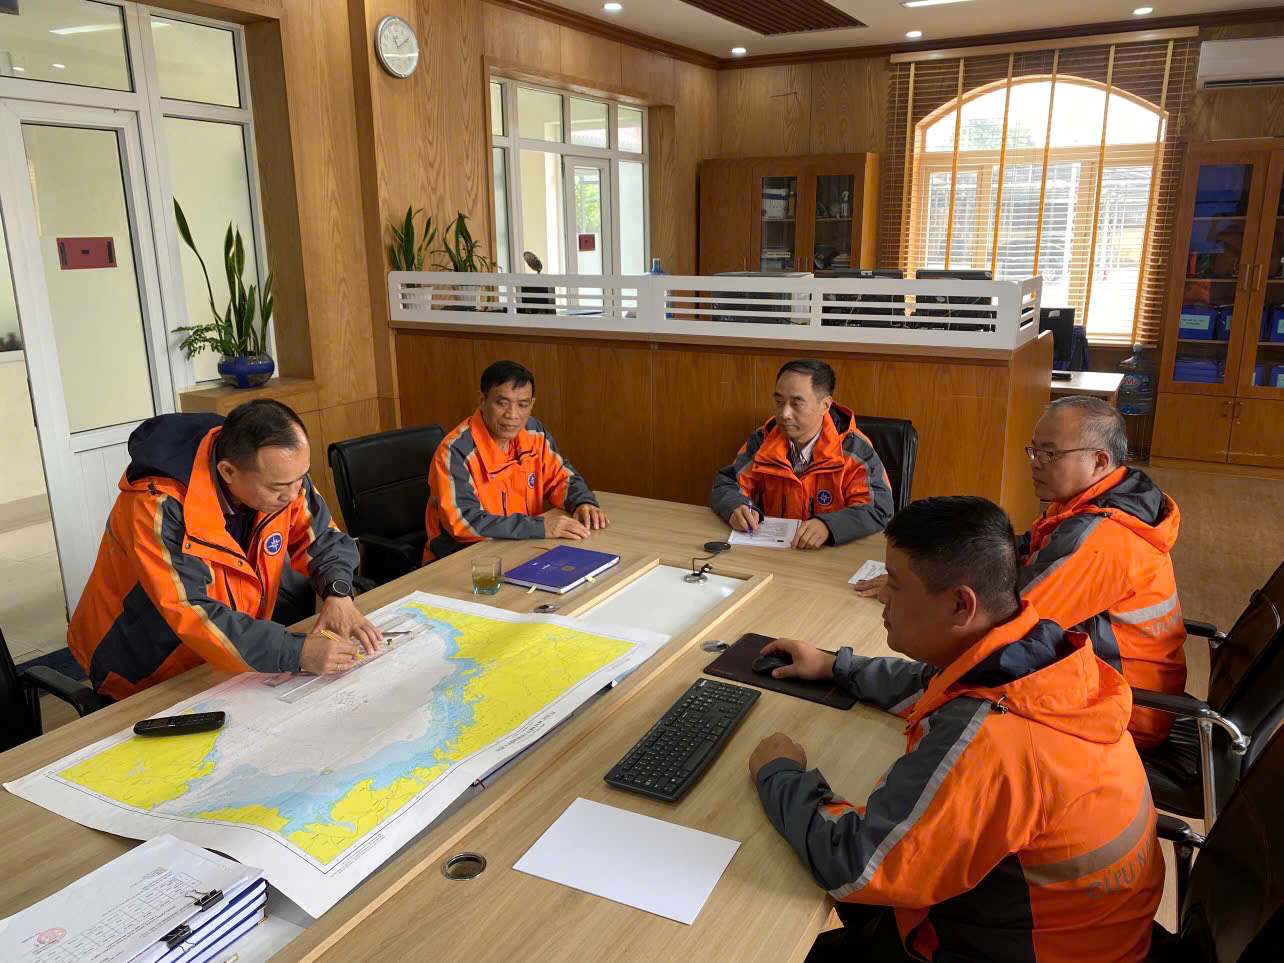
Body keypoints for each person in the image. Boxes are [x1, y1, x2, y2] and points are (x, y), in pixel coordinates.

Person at [750, 496, 1163, 962]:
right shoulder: (1038, 658)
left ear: (960, 605)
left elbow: (857, 864)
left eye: (897, 584)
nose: (882, 592)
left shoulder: (993, 739)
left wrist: (779, 774)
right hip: (1090, 932)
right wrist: (835, 666)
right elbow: (938, 683)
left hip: (1030, 949)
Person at [855, 395, 1185, 749]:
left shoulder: (1102, 540)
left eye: (1050, 454)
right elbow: (1023, 548)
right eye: (1034, 451)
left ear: (1099, 461)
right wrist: (937, 562)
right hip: (1101, 681)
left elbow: (1002, 629)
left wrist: (919, 589)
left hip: (1122, 709)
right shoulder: (1091, 501)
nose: (1035, 463)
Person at [69, 400, 379, 701]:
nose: (294, 494)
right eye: (278, 487)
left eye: (301, 478)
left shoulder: (281, 474)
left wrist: (338, 593)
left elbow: (322, 538)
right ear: (228, 472)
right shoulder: (157, 507)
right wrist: (295, 652)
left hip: (226, 660)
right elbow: (194, 611)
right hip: (145, 669)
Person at [424, 360, 608, 563]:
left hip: (520, 548)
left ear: (532, 404)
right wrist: (540, 526)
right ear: (482, 400)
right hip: (463, 561)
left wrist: (582, 502)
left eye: (522, 405)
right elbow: (463, 522)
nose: (513, 415)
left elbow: (560, 477)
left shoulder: (533, 432)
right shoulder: (455, 451)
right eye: (502, 403)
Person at [710, 359, 893, 549]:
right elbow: (728, 483)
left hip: (829, 556)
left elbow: (878, 508)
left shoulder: (854, 449)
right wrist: (735, 506)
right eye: (779, 402)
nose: (784, 414)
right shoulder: (763, 440)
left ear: (825, 405)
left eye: (797, 404)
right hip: (773, 552)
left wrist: (828, 526)